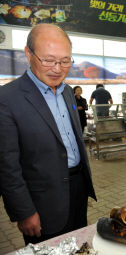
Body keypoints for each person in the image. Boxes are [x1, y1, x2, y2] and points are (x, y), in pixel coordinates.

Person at [0, 24, 96, 245]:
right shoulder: (7, 99)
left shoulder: (69, 92)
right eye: (48, 60)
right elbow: (6, 165)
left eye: (65, 61)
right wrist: (24, 211)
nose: (57, 69)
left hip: (77, 188)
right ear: (28, 54)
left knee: (79, 245)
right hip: (41, 201)